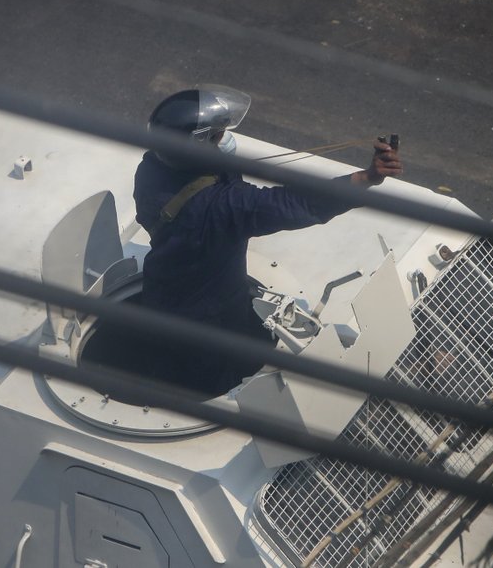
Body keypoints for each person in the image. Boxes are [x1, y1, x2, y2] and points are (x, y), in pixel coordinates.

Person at [132, 86, 402, 393]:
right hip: (210, 315)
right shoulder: (222, 207)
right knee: (213, 377)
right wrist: (366, 178)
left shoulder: (152, 168)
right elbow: (297, 204)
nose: (224, 140)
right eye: (218, 136)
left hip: (162, 293)